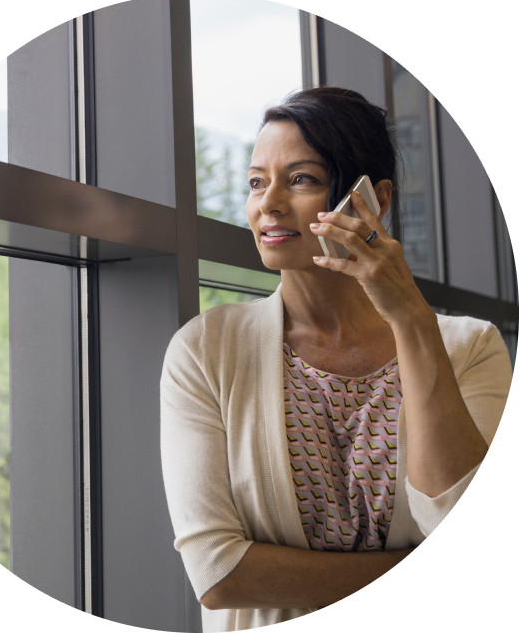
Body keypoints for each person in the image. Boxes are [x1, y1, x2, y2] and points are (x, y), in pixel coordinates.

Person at [160, 87, 512, 632]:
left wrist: (414, 325)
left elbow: (468, 530)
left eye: (301, 179)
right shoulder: (206, 349)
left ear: (375, 200)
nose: (268, 204)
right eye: (257, 182)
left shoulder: (471, 347)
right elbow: (218, 573)